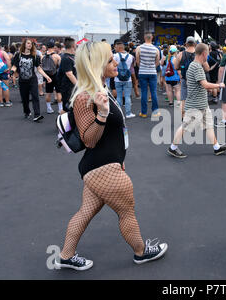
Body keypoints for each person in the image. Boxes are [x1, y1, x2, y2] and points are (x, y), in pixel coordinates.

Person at [56, 42, 168, 271]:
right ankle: (141, 251)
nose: (116, 62)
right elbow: (89, 140)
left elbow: (113, 135)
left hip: (106, 165)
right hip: (102, 168)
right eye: (109, 60)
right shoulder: (84, 97)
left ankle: (66, 256)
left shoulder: (102, 89)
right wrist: (103, 115)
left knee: (85, 212)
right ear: (96, 65)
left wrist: (120, 159)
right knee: (127, 212)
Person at [167, 43, 226, 158]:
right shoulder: (196, 66)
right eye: (207, 54)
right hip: (196, 104)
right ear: (204, 53)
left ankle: (216, 147)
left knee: (209, 125)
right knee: (185, 126)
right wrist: (219, 85)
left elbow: (196, 84)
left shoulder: (194, 65)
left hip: (200, 102)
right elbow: (205, 84)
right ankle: (173, 147)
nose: (207, 56)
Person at [10, 39, 52, 122]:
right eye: (28, 43)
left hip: (32, 79)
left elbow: (39, 69)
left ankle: (37, 114)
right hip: (22, 80)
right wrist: (11, 72)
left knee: (35, 97)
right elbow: (14, 66)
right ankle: (27, 111)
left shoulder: (35, 56)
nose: (30, 45)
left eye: (31, 44)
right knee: (24, 99)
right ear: (24, 44)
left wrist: (46, 76)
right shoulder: (18, 55)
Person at [136, 32, 160, 118]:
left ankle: (144, 112)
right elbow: (157, 62)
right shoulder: (156, 49)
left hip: (142, 72)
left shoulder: (139, 48)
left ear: (144, 37)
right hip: (152, 72)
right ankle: (155, 112)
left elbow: (137, 61)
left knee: (144, 92)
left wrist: (142, 67)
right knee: (153, 92)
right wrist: (152, 67)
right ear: (152, 38)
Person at [174, 36, 196, 116]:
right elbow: (206, 68)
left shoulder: (181, 54)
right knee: (196, 99)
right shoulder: (198, 54)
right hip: (196, 80)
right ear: (195, 44)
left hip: (185, 78)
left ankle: (184, 117)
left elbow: (176, 67)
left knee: (184, 99)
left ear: (186, 44)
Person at [113, 40, 135, 118]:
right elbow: (132, 68)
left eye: (115, 47)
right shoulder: (131, 57)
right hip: (128, 79)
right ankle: (128, 113)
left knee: (119, 96)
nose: (114, 48)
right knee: (127, 96)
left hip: (117, 79)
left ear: (119, 47)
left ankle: (119, 114)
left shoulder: (114, 56)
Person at [58, 37, 77, 113]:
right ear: (73, 46)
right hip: (67, 88)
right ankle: (61, 123)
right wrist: (78, 86)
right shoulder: (66, 58)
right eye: (75, 44)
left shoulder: (71, 57)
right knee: (66, 109)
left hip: (71, 87)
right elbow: (69, 74)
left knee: (71, 108)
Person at [42, 41, 61, 114]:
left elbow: (41, 67)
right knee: (59, 92)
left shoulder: (43, 56)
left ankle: (49, 108)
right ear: (54, 47)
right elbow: (60, 68)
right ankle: (60, 108)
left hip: (47, 76)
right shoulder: (57, 56)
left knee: (48, 93)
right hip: (56, 75)